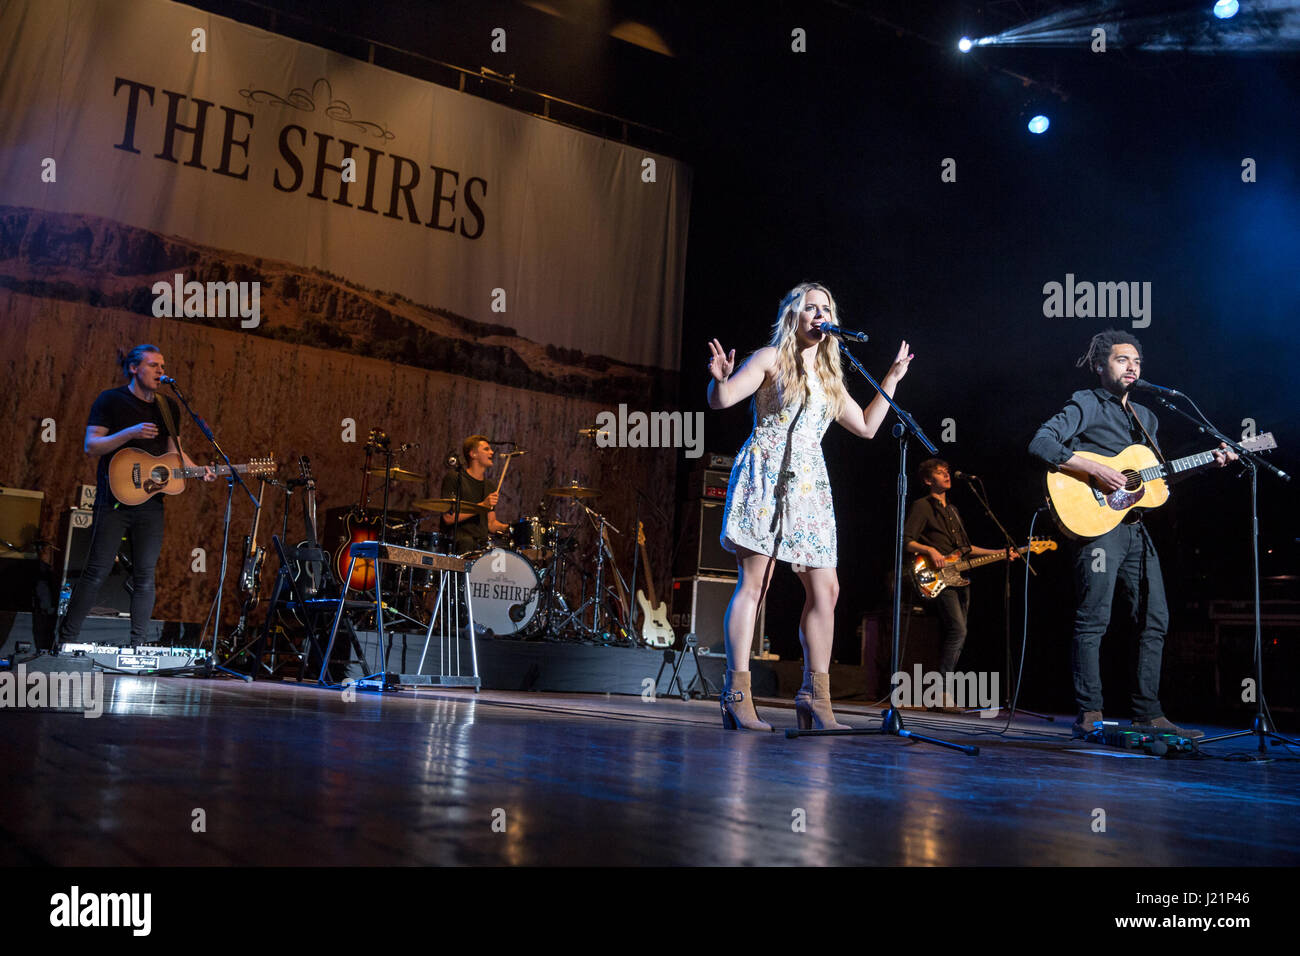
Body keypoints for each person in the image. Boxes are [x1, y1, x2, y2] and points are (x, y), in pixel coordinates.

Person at [707, 282, 913, 731]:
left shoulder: (829, 376)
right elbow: (723, 400)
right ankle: (736, 695)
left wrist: (892, 380)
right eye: (811, 307)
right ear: (793, 316)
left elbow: (865, 427)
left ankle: (815, 699)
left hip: (810, 488)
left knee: (828, 591)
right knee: (755, 586)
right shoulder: (769, 359)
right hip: (767, 472)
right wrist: (718, 380)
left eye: (826, 308)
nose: (820, 314)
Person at [1028, 330, 1234, 739]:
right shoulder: (1085, 403)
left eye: (1137, 361)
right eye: (1123, 360)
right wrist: (1096, 470)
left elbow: (1155, 479)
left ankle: (1148, 714)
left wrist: (1208, 464)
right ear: (1100, 366)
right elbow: (1041, 443)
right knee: (1094, 619)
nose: (1133, 366)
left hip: (1135, 528)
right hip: (1098, 527)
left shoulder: (1148, 417)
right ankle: (1090, 713)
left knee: (1155, 618)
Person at [59, 345, 214, 646]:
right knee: (96, 571)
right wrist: (129, 433)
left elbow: (175, 452)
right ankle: (64, 642)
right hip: (113, 499)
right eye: (154, 365)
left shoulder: (168, 407)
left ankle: (137, 647)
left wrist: (199, 470)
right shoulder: (111, 400)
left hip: (151, 503)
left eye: (162, 365)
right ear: (134, 368)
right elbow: (91, 446)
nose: (161, 371)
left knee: (145, 575)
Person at [904, 458, 1015, 705]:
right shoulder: (922, 506)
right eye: (940, 473)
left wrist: (1001, 552)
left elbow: (966, 549)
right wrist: (931, 551)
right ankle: (941, 693)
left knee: (960, 634)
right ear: (927, 480)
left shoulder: (953, 511)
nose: (946, 475)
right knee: (958, 630)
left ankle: (941, 691)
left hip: (959, 576)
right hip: (936, 575)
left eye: (946, 472)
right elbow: (906, 540)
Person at [440, 434, 509, 554]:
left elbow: (491, 524)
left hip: (481, 545)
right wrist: (482, 506)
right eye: (486, 449)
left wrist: (509, 528)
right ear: (473, 454)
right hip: (460, 544)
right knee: (467, 543)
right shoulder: (455, 478)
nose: (492, 452)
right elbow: (448, 518)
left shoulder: (490, 486)